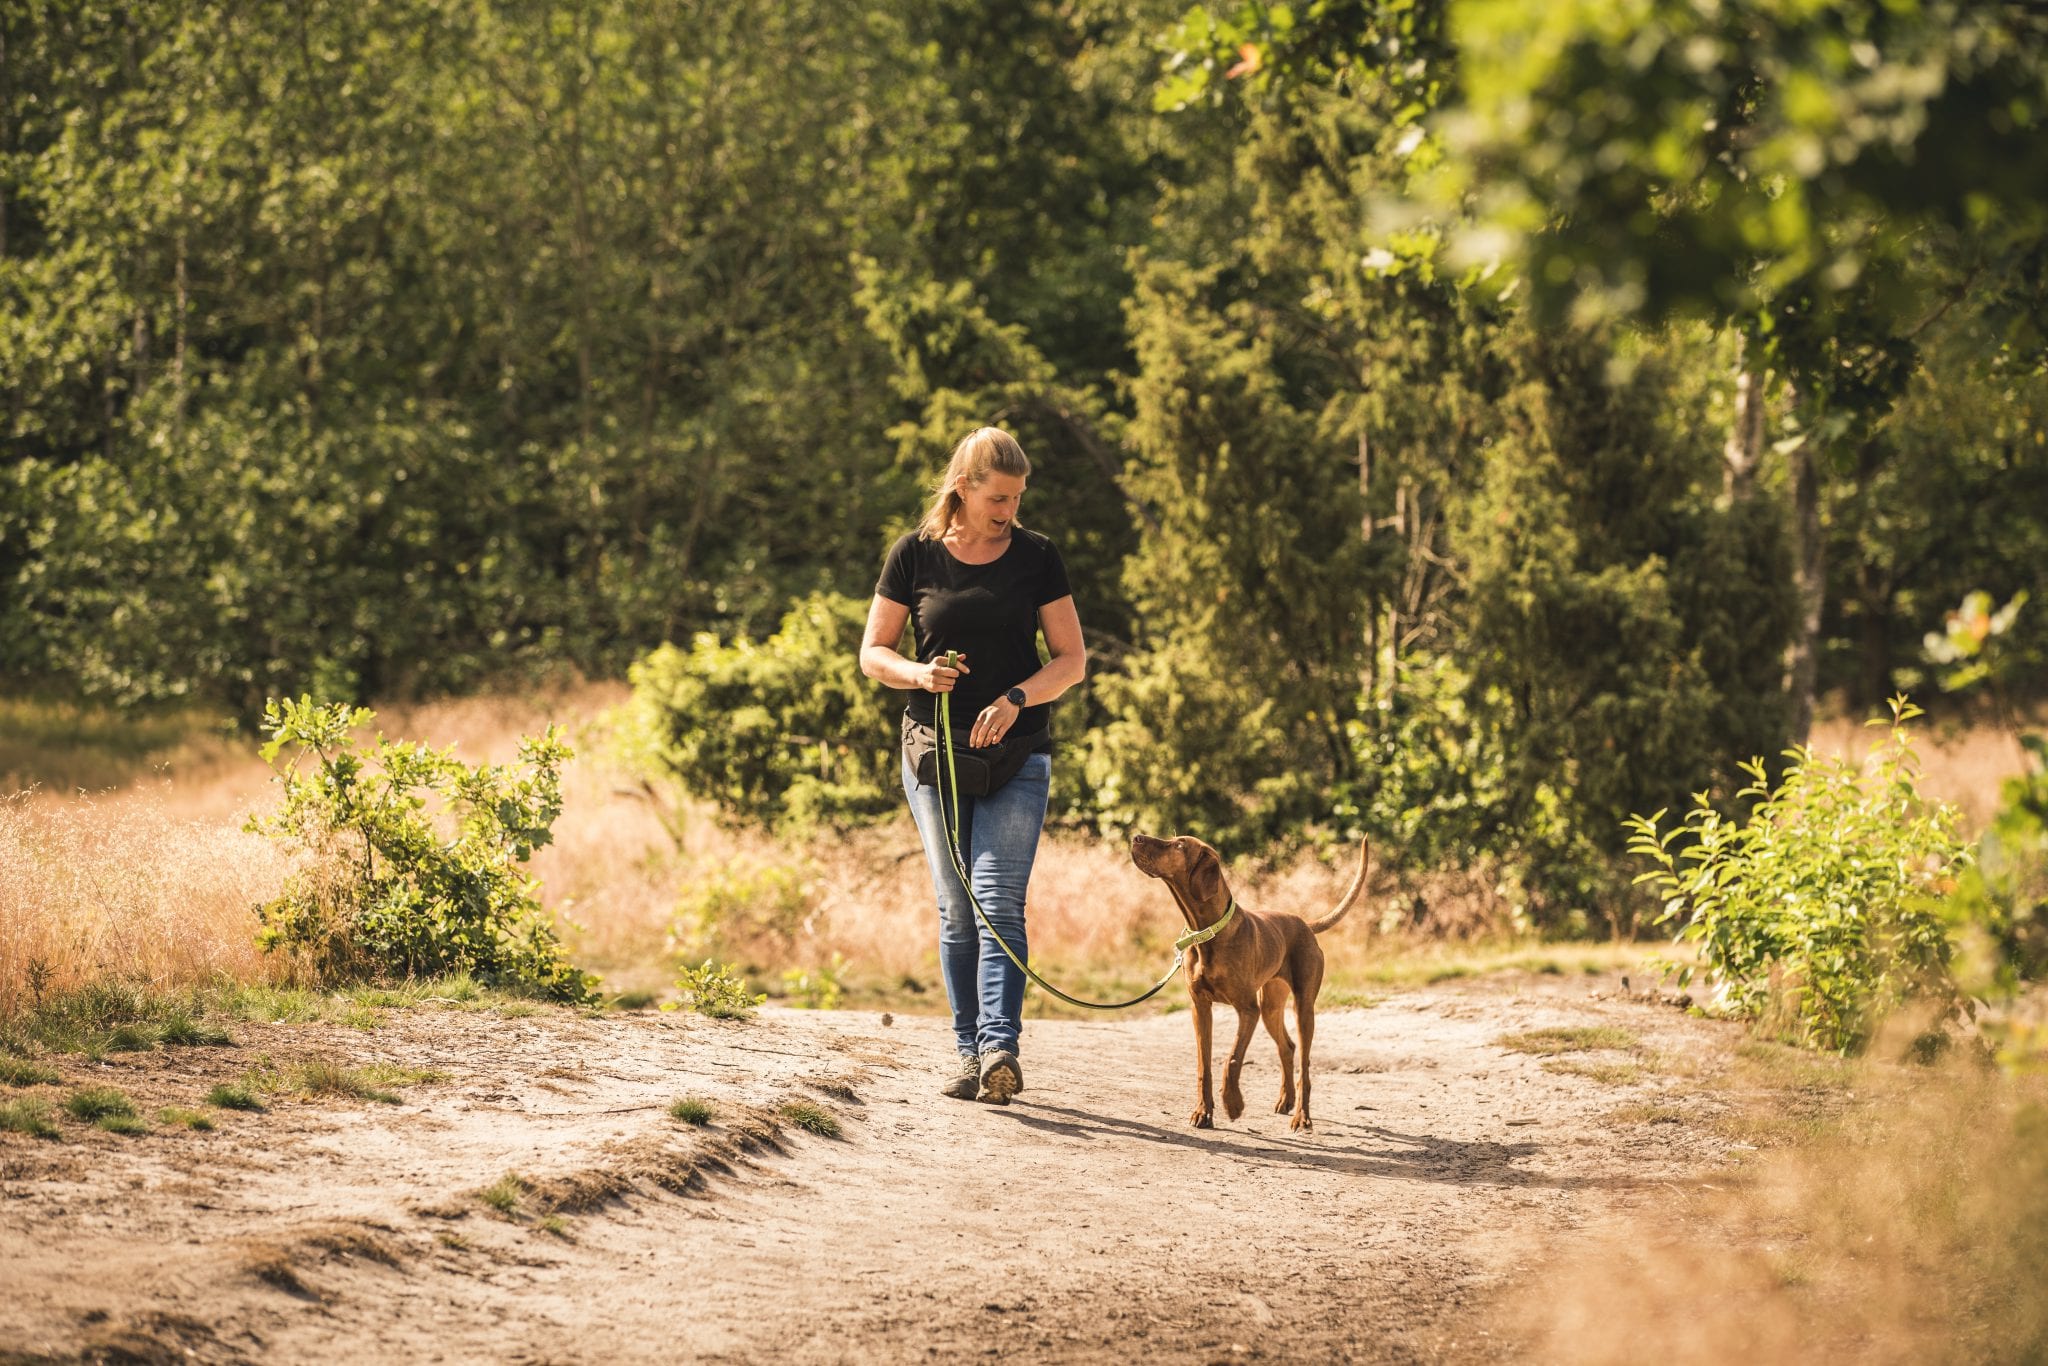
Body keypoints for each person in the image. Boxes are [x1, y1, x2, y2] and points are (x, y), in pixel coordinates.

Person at [859, 427, 1088, 1104]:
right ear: (963, 487)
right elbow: (874, 652)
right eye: (998, 497)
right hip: (934, 756)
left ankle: (999, 1048)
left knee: (999, 902)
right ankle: (966, 1051)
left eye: (1017, 498)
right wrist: (917, 674)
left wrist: (1018, 698)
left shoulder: (1038, 558)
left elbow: (1071, 659)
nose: (1009, 510)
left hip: (1018, 755)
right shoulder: (914, 555)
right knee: (958, 909)